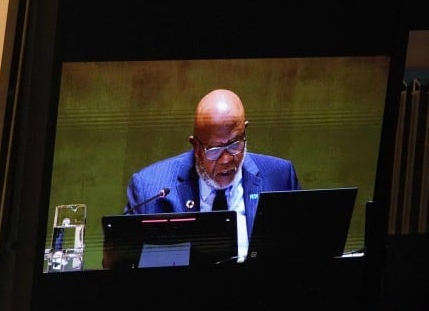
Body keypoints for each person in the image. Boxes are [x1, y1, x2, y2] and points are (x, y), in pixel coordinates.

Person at [125, 88, 300, 258]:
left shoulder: (280, 177)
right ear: (196, 146)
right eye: (214, 150)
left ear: (244, 131)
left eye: (234, 145)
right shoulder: (149, 188)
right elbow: (123, 262)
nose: (226, 159)